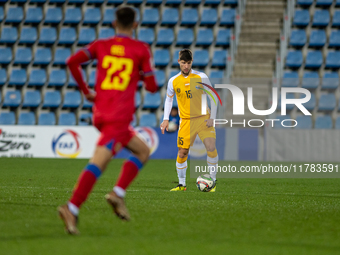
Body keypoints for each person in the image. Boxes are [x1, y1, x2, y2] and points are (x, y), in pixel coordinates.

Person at [58, 6, 157, 235]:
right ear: (135, 25)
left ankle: (117, 194)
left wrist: (86, 91)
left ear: (114, 23)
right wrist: (141, 73)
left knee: (143, 150)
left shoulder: (100, 46)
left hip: (102, 112)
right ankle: (71, 207)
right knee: (98, 163)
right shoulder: (140, 49)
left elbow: (72, 61)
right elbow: (152, 87)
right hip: (119, 116)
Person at [160, 49, 218, 192]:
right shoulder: (173, 81)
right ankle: (182, 185)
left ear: (192, 62)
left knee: (210, 147)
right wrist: (165, 119)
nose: (186, 66)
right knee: (182, 153)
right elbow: (169, 99)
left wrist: (212, 117)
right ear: (179, 62)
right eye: (183, 63)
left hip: (204, 118)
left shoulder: (201, 77)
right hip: (186, 121)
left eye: (189, 63)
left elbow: (213, 97)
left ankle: (212, 182)